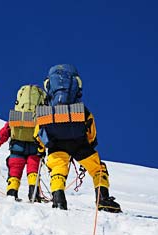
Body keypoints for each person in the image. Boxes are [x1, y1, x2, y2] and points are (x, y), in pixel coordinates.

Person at [34, 64, 121, 213]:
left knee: (57, 169)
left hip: (56, 143)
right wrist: (91, 144)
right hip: (79, 142)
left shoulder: (47, 111)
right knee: (98, 168)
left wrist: (41, 149)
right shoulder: (80, 108)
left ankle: (58, 198)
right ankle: (103, 199)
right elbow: (90, 126)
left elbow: (38, 132)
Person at [0, 85, 46, 202]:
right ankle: (34, 195)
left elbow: (5, 132)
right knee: (33, 170)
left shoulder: (17, 116)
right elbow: (44, 133)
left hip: (17, 146)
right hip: (35, 147)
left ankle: (12, 193)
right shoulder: (40, 116)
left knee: (15, 170)